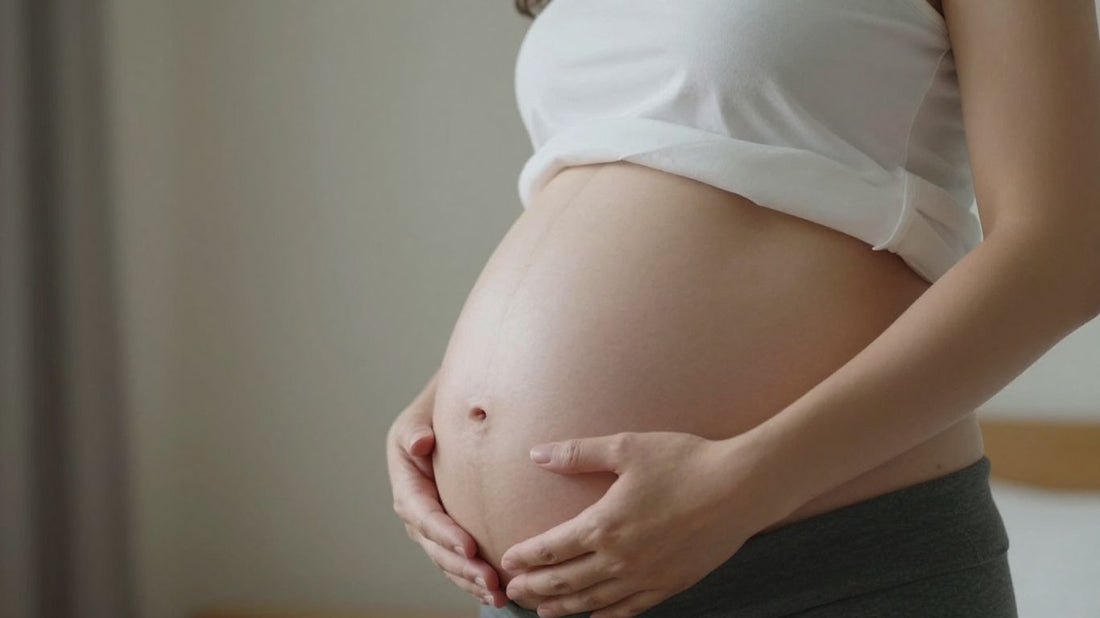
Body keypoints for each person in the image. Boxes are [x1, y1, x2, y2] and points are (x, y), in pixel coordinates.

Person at [387, 1, 1100, 616]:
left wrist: (746, 486)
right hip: (537, 587)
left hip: (818, 557)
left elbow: (1067, 251)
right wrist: (448, 407)